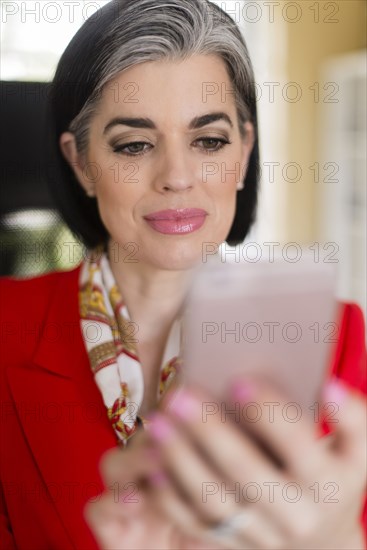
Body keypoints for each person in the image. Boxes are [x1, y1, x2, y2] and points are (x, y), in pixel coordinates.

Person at [0, 0, 366, 548]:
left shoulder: (335, 336)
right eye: (135, 144)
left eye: (209, 140)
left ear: (243, 152)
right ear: (80, 163)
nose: (177, 176)